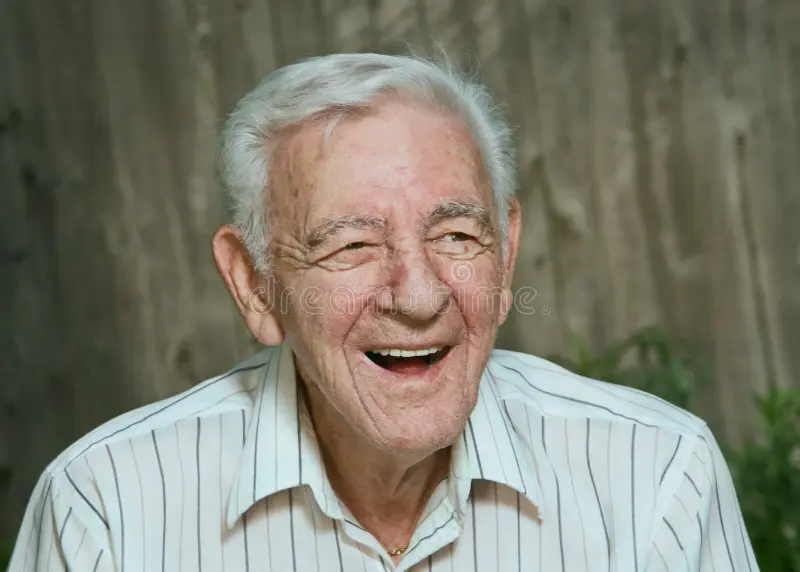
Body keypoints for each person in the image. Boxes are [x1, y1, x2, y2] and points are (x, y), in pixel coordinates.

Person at [8, 52, 757, 572]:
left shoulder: (657, 475)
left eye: (456, 235)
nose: (419, 295)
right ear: (255, 285)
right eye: (353, 246)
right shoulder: (106, 509)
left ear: (506, 255)